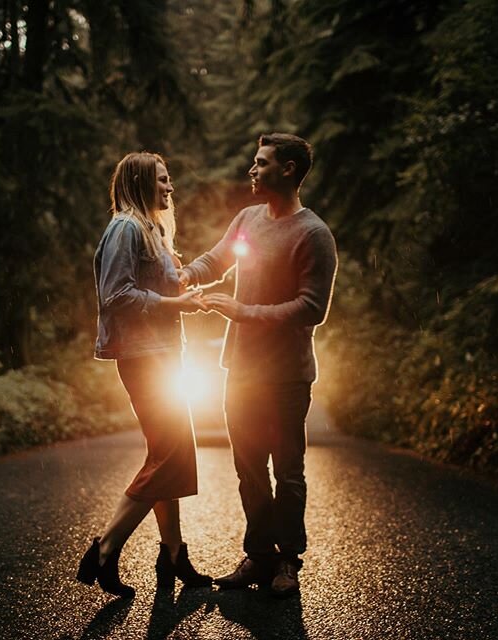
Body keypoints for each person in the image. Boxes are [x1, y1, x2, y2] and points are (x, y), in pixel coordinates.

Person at [178, 133, 338, 598]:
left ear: (287, 170)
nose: (252, 170)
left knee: (287, 470)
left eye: (261, 162)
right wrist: (186, 274)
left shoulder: (313, 233)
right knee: (249, 469)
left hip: (287, 377)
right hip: (241, 371)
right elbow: (218, 259)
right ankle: (260, 556)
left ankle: (288, 560)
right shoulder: (248, 218)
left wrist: (242, 311)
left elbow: (312, 308)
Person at [76, 151, 212, 597]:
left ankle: (172, 554)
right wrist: (174, 304)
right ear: (139, 182)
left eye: (170, 179)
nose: (170, 188)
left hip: (165, 355)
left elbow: (160, 287)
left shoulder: (154, 229)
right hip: (142, 357)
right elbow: (116, 294)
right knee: (170, 454)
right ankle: (105, 550)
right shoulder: (126, 228)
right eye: (162, 180)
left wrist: (192, 290)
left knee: (166, 453)